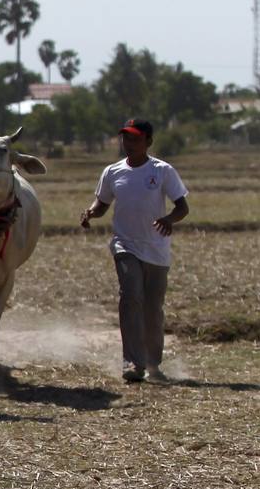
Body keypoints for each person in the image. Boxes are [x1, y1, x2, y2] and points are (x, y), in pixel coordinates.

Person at [80, 119, 190, 383]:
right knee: (130, 298)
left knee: (153, 308)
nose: (128, 144)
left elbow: (182, 207)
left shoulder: (162, 170)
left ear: (148, 142)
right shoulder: (113, 171)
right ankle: (132, 362)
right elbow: (102, 203)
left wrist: (168, 220)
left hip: (156, 250)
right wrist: (91, 213)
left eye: (135, 139)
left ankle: (153, 363)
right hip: (125, 245)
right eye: (125, 138)